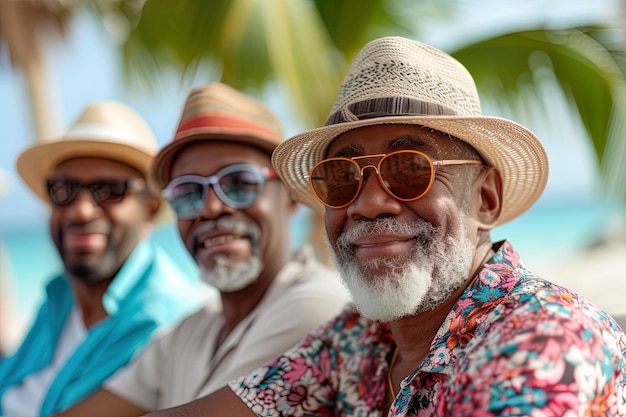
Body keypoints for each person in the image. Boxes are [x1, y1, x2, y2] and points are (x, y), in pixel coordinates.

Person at [145, 37, 626, 416]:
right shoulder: (359, 337)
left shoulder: (542, 338)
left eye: (411, 168)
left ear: (486, 198)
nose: (369, 203)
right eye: (341, 177)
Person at [51, 82, 350, 416]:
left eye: (238, 183)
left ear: (290, 197)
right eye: (188, 193)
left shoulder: (316, 306)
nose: (210, 208)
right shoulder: (192, 331)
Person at [0, 101, 206, 416]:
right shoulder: (61, 297)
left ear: (150, 207)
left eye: (110, 189)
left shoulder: (161, 322)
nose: (81, 210)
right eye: (63, 188)